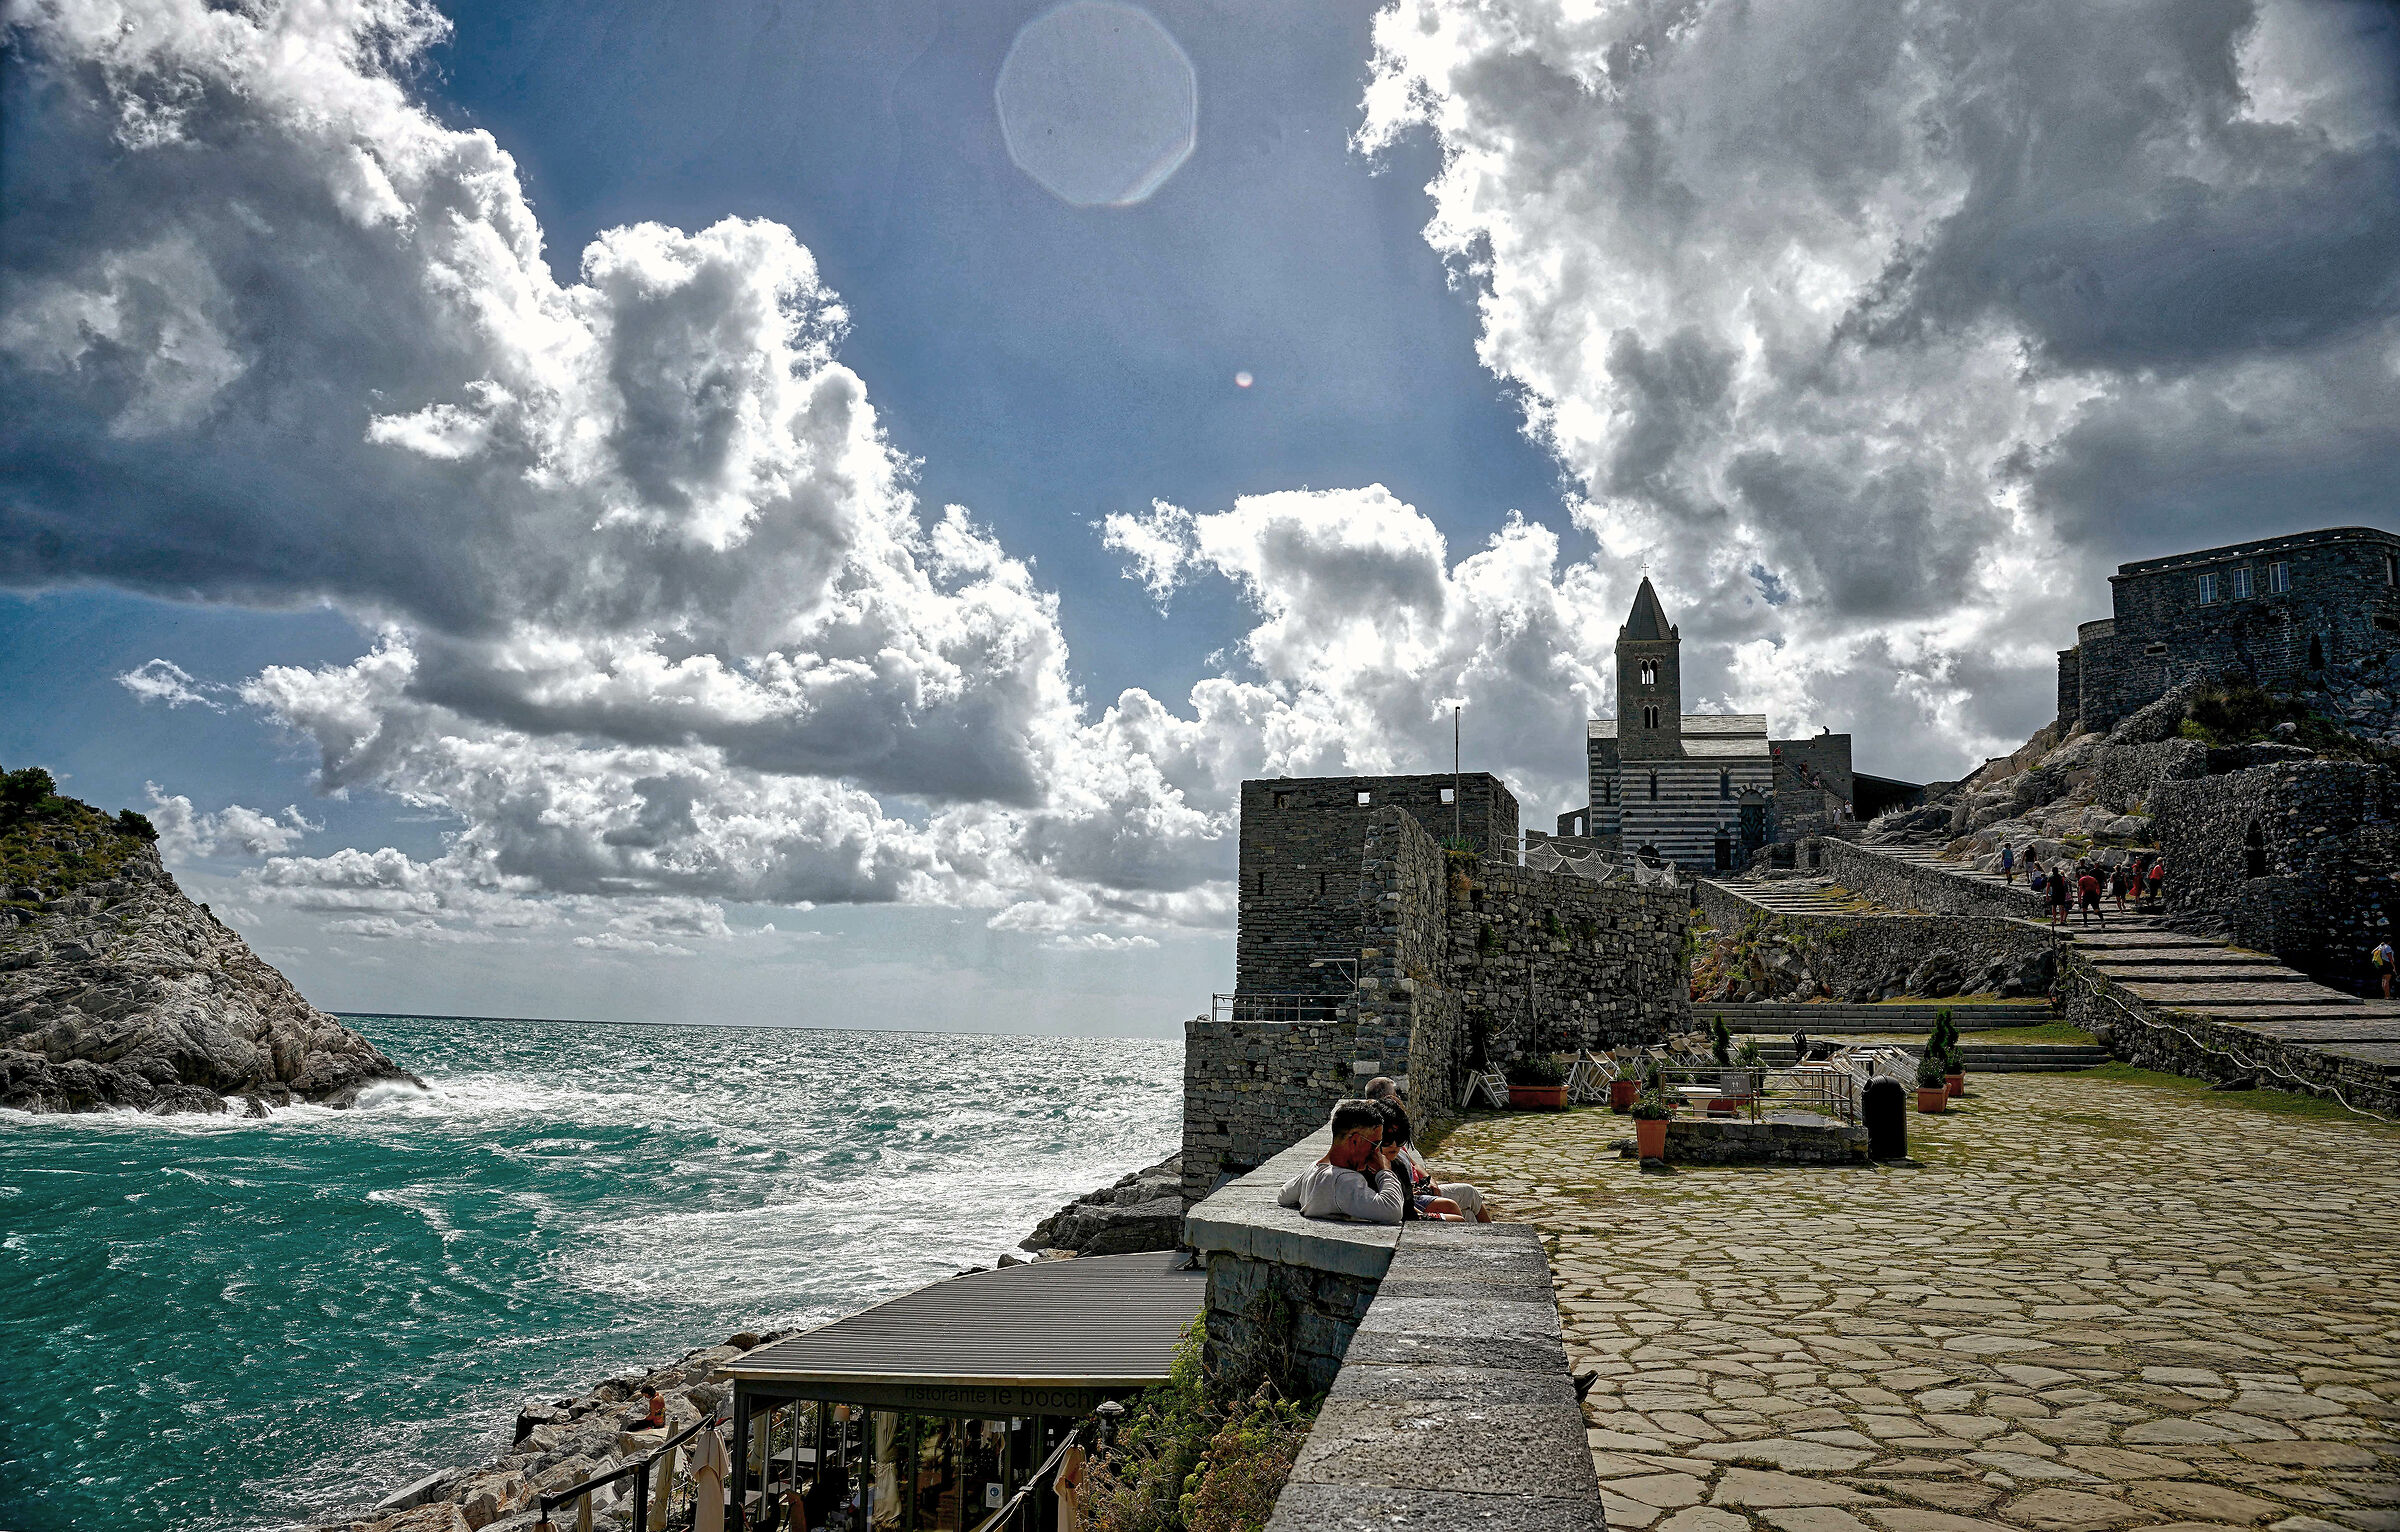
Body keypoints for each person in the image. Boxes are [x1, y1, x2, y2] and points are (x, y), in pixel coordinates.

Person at [1277, 1099, 1405, 1224]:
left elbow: (1284, 1195)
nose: (1377, 1152)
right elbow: (1392, 1210)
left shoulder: (1314, 1169)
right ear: (1355, 1140)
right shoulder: (1344, 1181)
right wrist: (1384, 1171)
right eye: (1375, 1144)